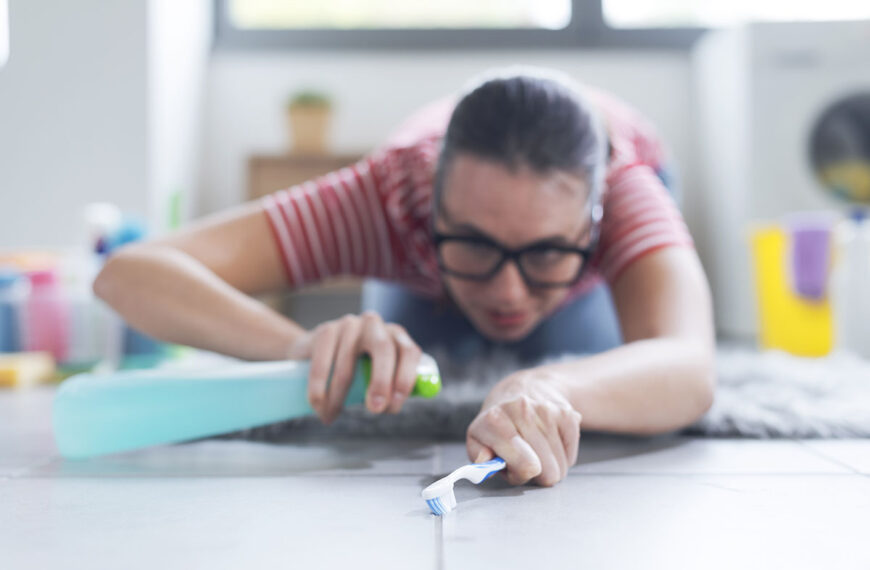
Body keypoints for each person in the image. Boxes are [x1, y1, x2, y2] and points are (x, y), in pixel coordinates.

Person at [94, 67, 715, 487]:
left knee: (585, 355)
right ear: (429, 211)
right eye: (472, 244)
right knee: (408, 356)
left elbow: (688, 365)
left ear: (592, 223)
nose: (508, 293)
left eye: (547, 254)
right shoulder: (388, 195)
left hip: (620, 171)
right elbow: (127, 274)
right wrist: (300, 346)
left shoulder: (626, 186)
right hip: (420, 256)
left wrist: (553, 385)